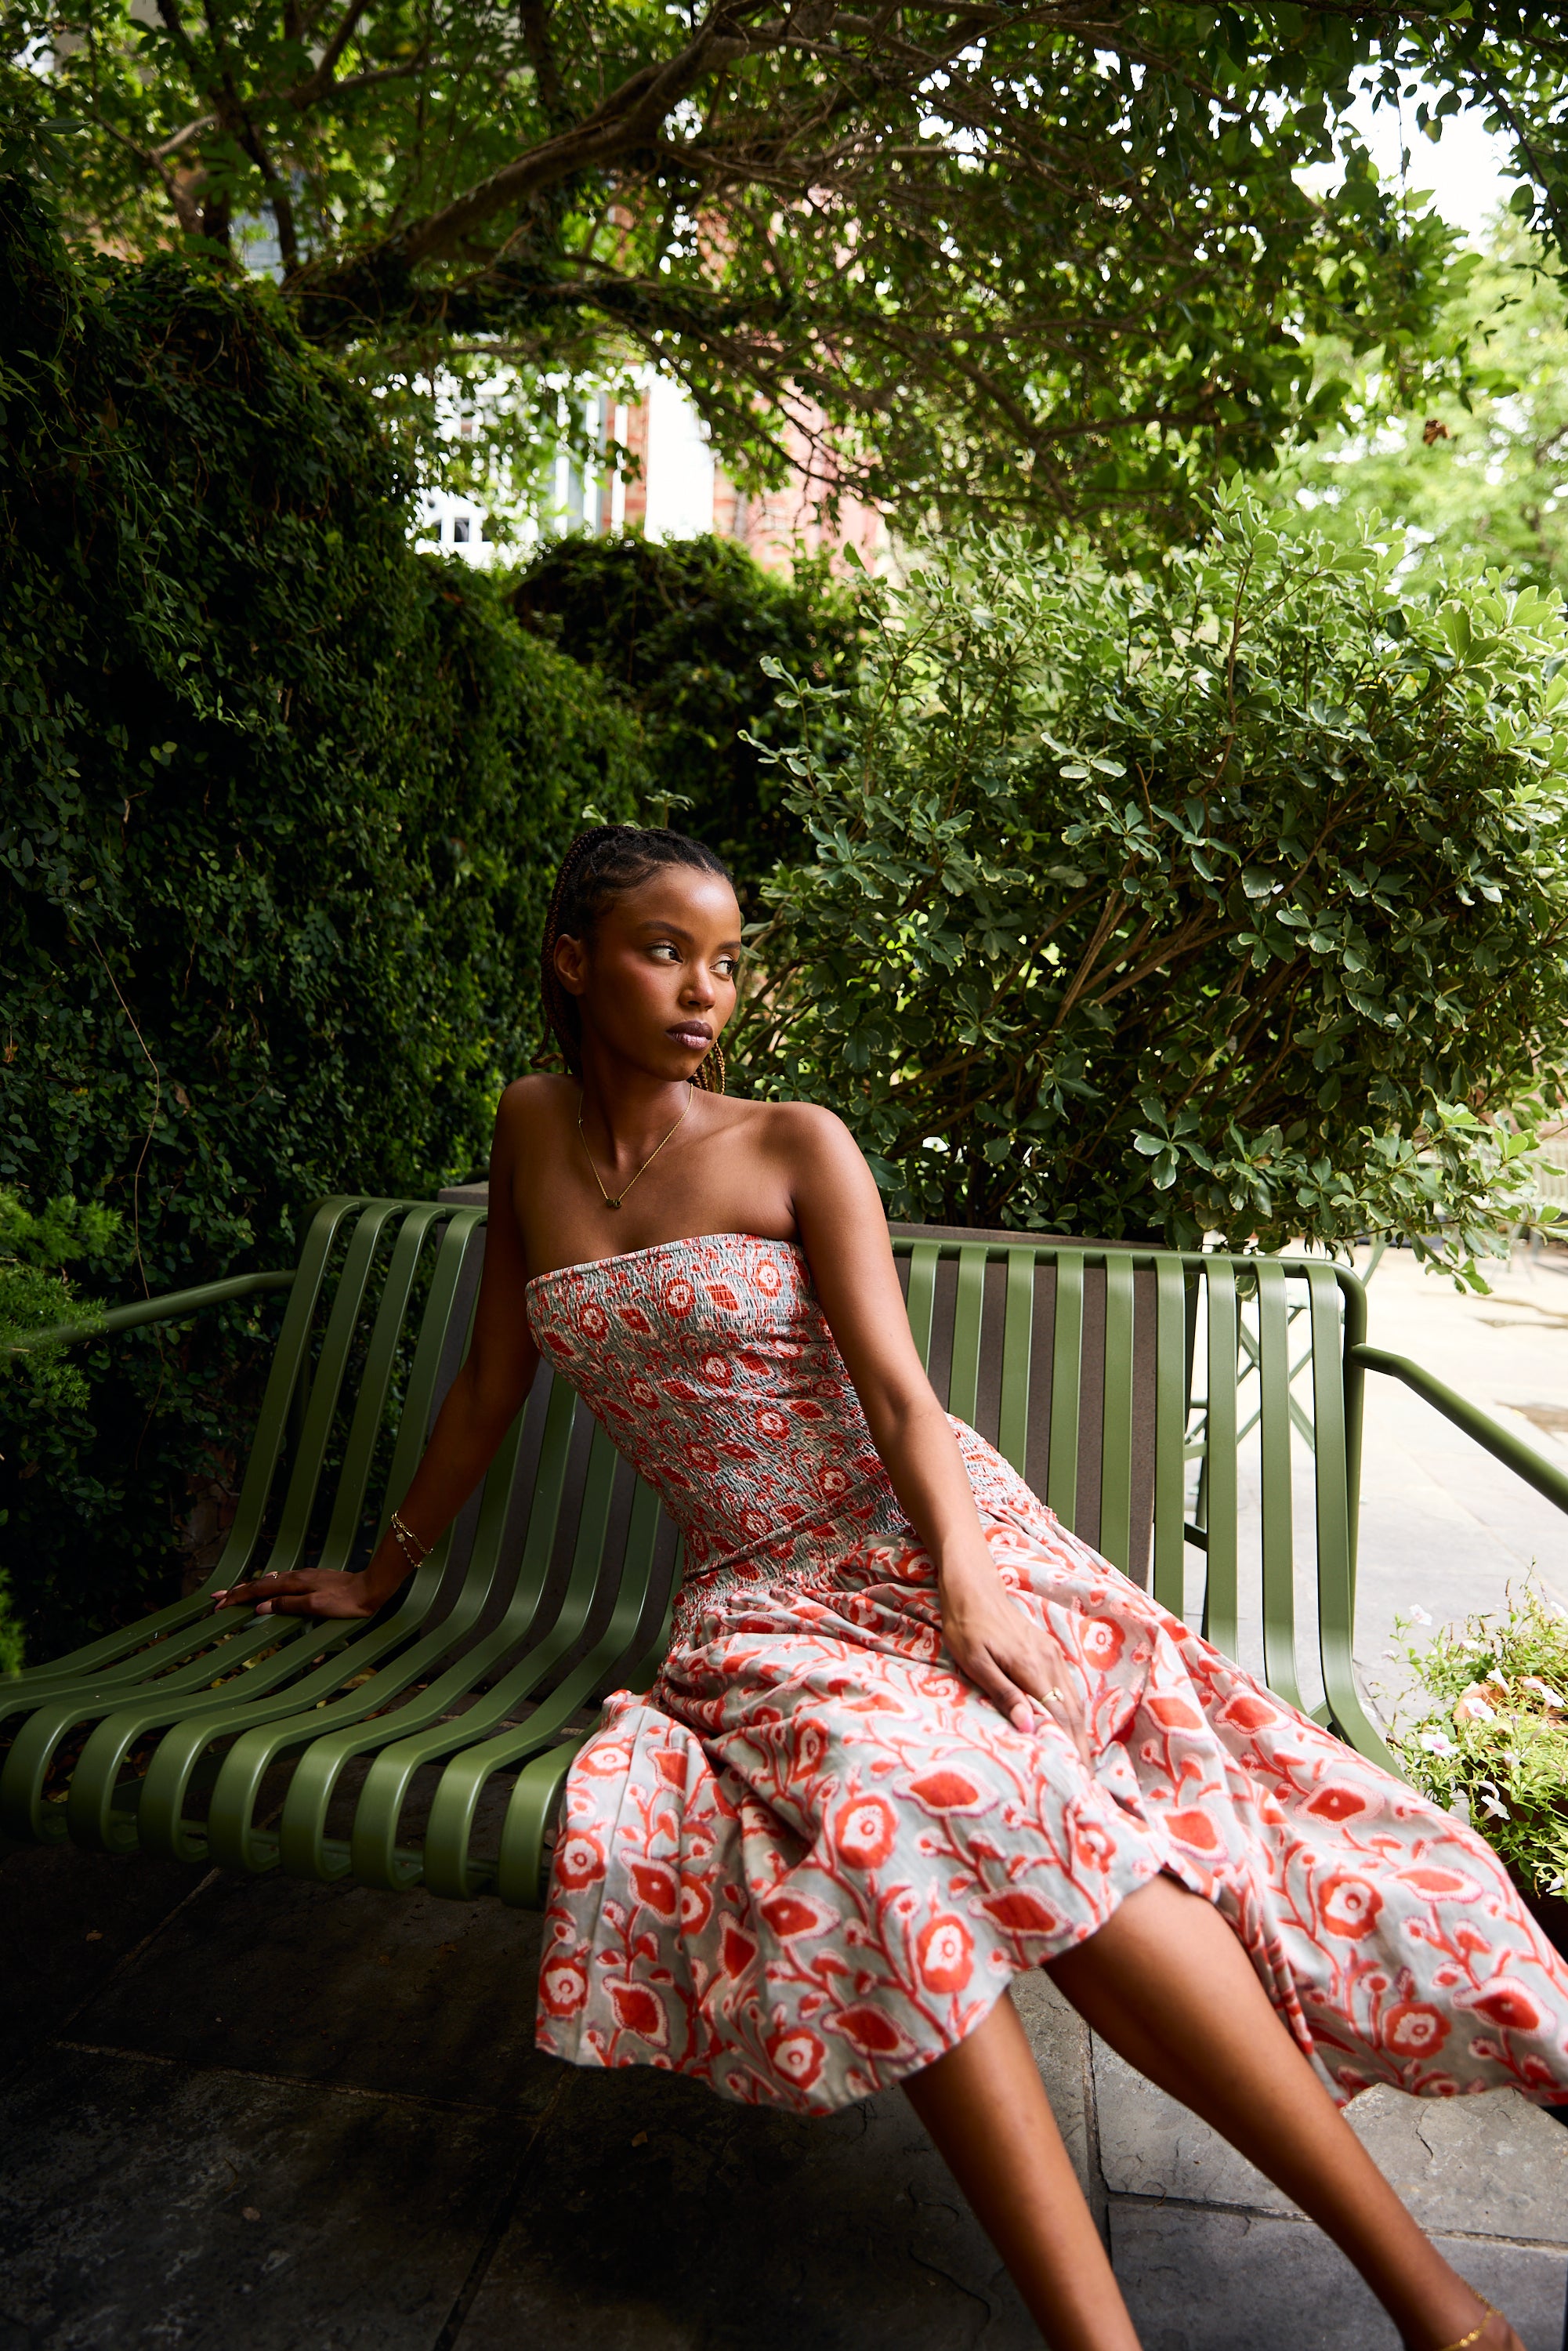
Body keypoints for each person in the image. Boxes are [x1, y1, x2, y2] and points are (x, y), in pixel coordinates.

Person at [218, 824, 1568, 2351]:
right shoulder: (528, 1128)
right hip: (753, 1603)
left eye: (725, 962)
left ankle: (1439, 2308)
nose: (703, 993)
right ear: (573, 958)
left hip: (923, 1549)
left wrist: (966, 1583)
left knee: (1035, 1817)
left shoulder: (794, 1140)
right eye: (666, 953)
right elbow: (485, 1383)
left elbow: (899, 1395)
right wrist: (380, 1576)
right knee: (885, 1817)